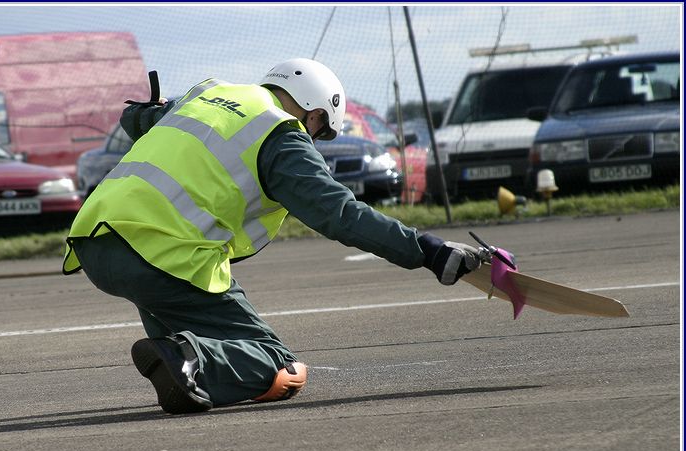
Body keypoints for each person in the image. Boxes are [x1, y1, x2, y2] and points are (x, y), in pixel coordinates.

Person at [62, 58, 483, 414]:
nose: (313, 140)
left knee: (193, 337)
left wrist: (143, 111)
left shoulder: (206, 94)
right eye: (319, 131)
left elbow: (140, 118)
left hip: (96, 240)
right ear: (315, 114)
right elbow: (341, 214)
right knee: (282, 369)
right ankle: (191, 357)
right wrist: (429, 251)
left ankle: (184, 364)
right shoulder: (282, 137)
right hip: (165, 256)